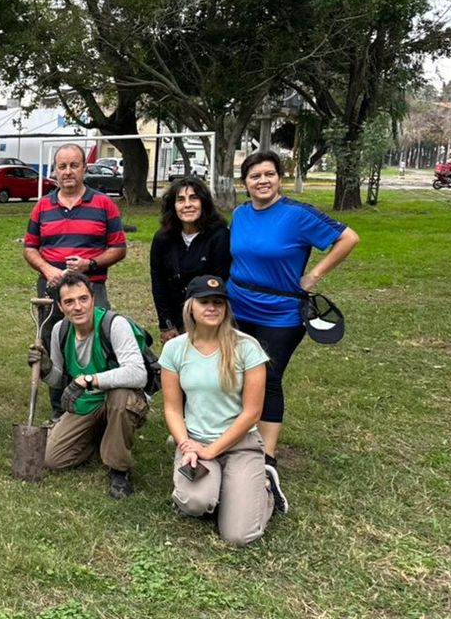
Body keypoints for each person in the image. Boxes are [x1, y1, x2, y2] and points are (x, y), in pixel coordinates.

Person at [229, 149, 359, 507]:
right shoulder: (239, 214)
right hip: (237, 306)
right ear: (245, 183)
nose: (262, 181)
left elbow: (348, 237)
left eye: (269, 174)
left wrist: (314, 274)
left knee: (266, 378)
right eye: (254, 176)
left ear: (279, 178)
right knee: (235, 373)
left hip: (281, 312)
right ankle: (236, 438)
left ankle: (266, 457)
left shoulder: (297, 215)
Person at [162, 276, 275, 545]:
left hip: (240, 444)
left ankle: (266, 489)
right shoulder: (174, 349)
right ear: (191, 307)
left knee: (239, 536)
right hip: (196, 441)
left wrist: (213, 451)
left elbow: (252, 412)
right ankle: (224, 489)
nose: (212, 308)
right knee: (194, 503)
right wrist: (186, 445)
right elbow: (173, 409)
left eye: (218, 302)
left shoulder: (247, 347)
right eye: (204, 302)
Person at [24, 142, 126, 417]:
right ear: (55, 171)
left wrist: (90, 263)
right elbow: (30, 248)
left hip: (92, 287)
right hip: (51, 288)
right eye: (62, 166)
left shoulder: (104, 204)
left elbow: (119, 248)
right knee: (54, 346)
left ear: (84, 168)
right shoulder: (43, 206)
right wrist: (47, 270)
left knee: (97, 343)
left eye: (74, 165)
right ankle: (60, 412)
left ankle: (95, 408)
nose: (68, 172)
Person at [27, 272, 148, 499]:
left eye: (83, 299)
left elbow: (138, 373)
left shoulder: (114, 324)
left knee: (120, 396)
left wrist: (90, 379)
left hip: (121, 399)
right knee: (52, 458)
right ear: (61, 307)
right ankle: (101, 438)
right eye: (69, 302)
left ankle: (119, 471)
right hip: (88, 404)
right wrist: (44, 367)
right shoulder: (60, 331)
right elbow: (59, 380)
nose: (78, 307)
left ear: (93, 299)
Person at [149, 176, 231, 343]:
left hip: (209, 317)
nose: (187, 205)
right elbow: (159, 283)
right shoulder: (162, 238)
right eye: (180, 200)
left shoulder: (219, 236)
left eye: (194, 198)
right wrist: (166, 324)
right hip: (175, 317)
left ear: (203, 203)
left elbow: (220, 283)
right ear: (173, 205)